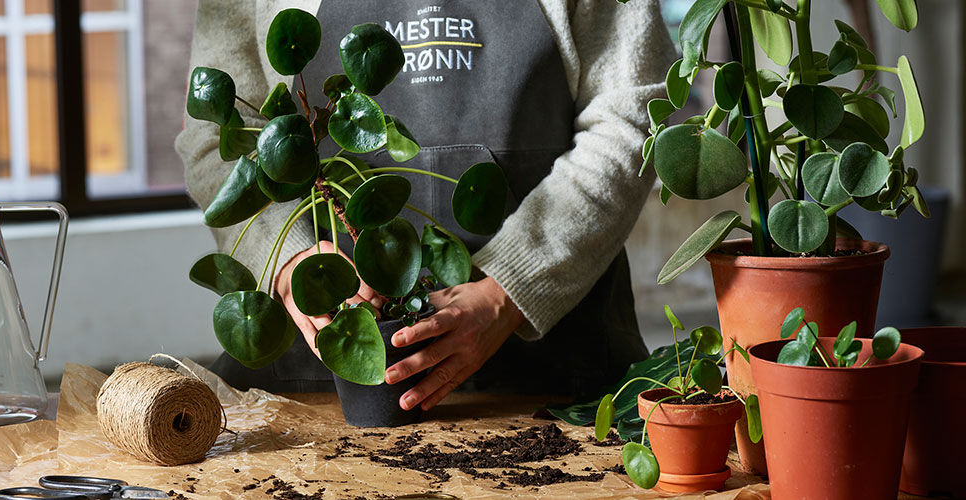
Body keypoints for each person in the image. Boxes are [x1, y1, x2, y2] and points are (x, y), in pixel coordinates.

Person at [178, 0, 676, 410]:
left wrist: (510, 289)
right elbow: (216, 139)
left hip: (554, 380)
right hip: (306, 394)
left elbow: (630, 119)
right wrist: (286, 258)